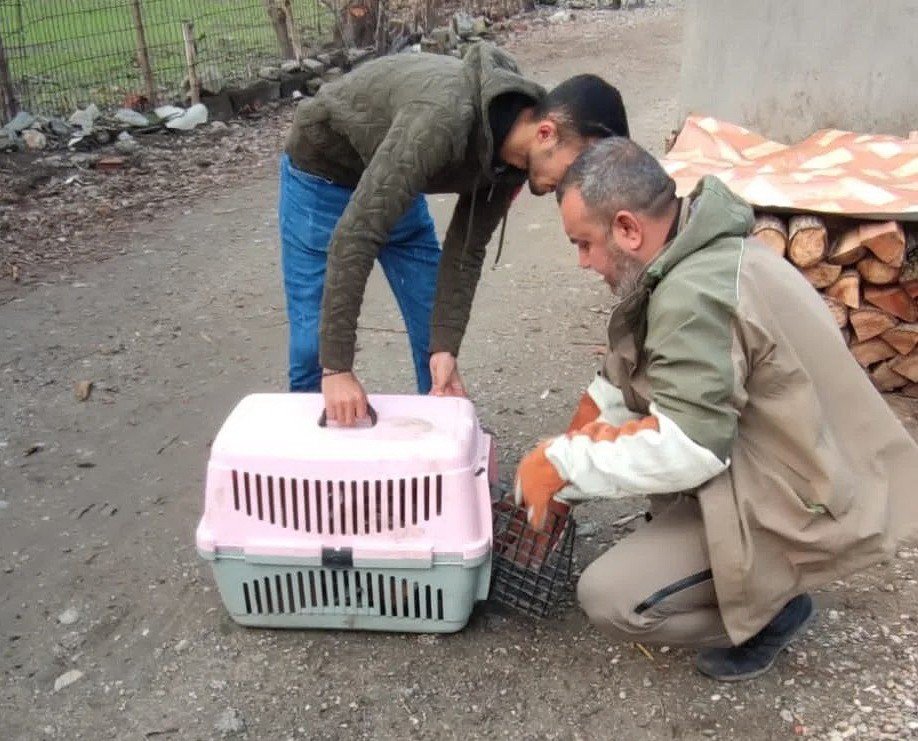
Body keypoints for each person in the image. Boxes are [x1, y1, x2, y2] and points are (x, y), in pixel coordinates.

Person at [513, 137, 918, 681]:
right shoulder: (695, 247)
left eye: (584, 243)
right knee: (644, 432)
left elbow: (691, 448)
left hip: (812, 497)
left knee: (611, 597)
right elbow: (622, 381)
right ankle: (750, 579)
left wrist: (565, 464)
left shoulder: (693, 296)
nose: (582, 261)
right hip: (809, 461)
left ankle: (770, 612)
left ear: (629, 229)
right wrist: (564, 469)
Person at [279, 43, 628, 425]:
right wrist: (337, 368)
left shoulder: (512, 159)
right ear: (546, 133)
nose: (576, 184)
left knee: (433, 330)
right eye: (578, 166)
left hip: (395, 175)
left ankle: (434, 455)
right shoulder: (440, 121)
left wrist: (445, 348)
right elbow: (357, 234)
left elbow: (466, 250)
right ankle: (313, 467)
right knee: (313, 346)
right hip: (324, 176)